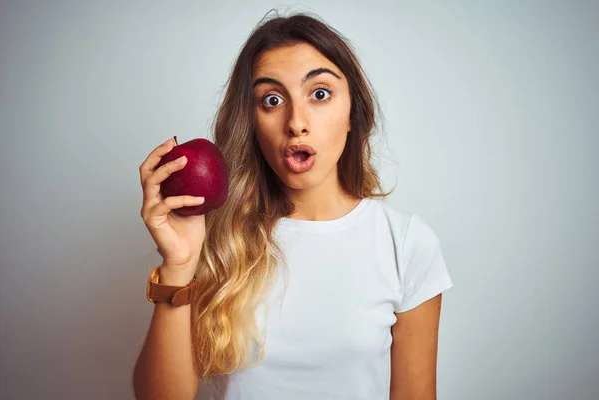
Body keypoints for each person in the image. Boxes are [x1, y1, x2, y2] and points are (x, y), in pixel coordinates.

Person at [133, 12, 453, 400]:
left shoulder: (405, 243)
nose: (296, 122)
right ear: (251, 123)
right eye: (272, 100)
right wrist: (178, 266)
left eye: (319, 94)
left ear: (353, 113)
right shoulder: (215, 240)